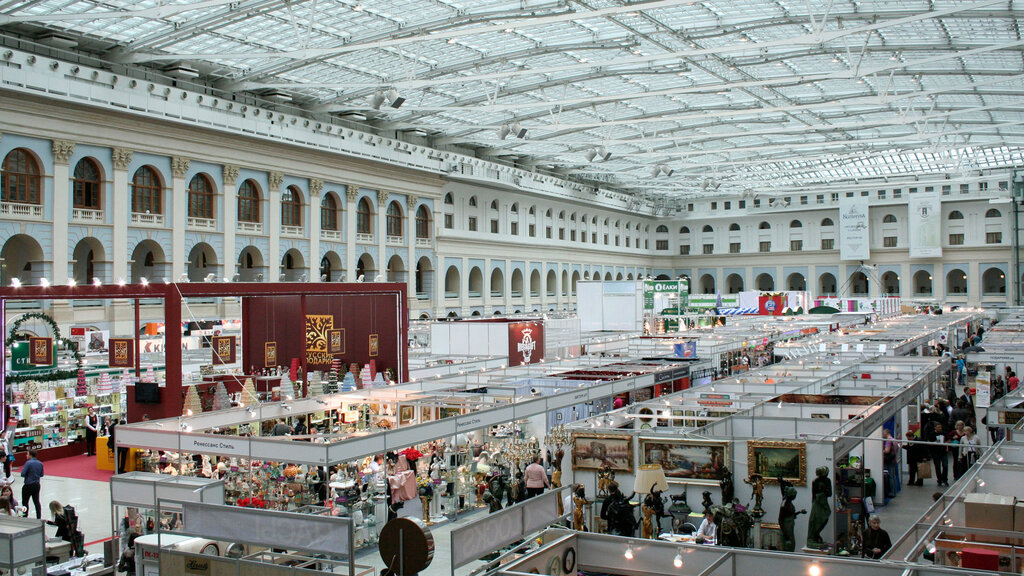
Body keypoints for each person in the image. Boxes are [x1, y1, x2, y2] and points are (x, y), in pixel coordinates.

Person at [922, 420, 948, 487]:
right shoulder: (931, 434)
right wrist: (934, 442)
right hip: (935, 451)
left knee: (945, 465)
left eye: (940, 427)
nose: (940, 429)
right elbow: (928, 441)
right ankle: (939, 479)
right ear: (935, 428)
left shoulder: (944, 433)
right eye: (938, 427)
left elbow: (948, 439)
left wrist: (946, 443)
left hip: (943, 451)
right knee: (937, 466)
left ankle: (945, 479)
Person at [20, 449, 43, 518]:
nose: (26, 455)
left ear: (30, 455)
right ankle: (38, 516)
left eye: (27, 454)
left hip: (28, 485)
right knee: (36, 501)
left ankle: (25, 515)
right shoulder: (40, 463)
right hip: (36, 484)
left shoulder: (28, 463)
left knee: (25, 502)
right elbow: (41, 474)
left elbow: (23, 474)